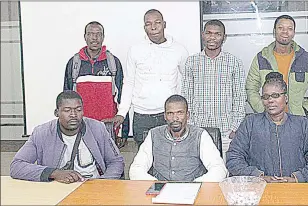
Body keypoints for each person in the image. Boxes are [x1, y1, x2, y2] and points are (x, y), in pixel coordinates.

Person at [103, 9, 188, 148]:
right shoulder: (135, 50)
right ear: (144, 28)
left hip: (168, 114)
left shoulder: (179, 50)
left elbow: (187, 80)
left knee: (171, 156)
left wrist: (182, 110)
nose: (153, 27)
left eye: (157, 23)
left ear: (164, 24)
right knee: (144, 158)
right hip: (142, 115)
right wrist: (122, 113)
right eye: (148, 24)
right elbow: (129, 82)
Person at [227, 72, 308, 183]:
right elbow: (233, 158)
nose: (270, 100)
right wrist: (258, 177)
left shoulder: (303, 124)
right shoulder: (250, 123)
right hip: (260, 190)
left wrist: (297, 178)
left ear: (286, 98)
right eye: (265, 97)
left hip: (297, 191)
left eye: (275, 95)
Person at [10, 91, 124, 183]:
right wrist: (54, 173)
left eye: (78, 110)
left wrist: (103, 183)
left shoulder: (97, 128)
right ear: (56, 113)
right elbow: (17, 166)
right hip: (57, 189)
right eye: (67, 110)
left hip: (94, 186)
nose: (73, 115)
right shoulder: (42, 133)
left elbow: (116, 161)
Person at [182, 19, 246, 155]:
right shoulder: (191, 62)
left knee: (224, 172)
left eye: (217, 34)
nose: (212, 37)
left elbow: (240, 98)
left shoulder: (234, 62)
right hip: (197, 130)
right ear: (202, 35)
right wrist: (190, 126)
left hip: (225, 131)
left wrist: (234, 128)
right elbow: (186, 97)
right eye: (209, 33)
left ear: (224, 37)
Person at [129, 95, 227, 182]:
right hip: (160, 191)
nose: (175, 118)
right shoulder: (154, 134)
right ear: (165, 116)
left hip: (193, 191)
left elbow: (219, 169)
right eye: (170, 113)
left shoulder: (200, 135)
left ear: (187, 115)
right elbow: (136, 169)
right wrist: (155, 185)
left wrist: (196, 185)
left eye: (180, 113)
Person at [63, 21, 129, 148]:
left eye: (98, 34)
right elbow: (66, 99)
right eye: (91, 34)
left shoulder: (113, 63)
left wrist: (123, 131)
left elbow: (122, 97)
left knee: (108, 165)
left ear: (103, 37)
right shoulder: (74, 63)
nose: (95, 38)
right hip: (81, 127)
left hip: (108, 127)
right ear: (85, 37)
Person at [246, 15, 308, 117]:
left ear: (294, 33)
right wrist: (263, 110)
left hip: (297, 121)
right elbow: (251, 88)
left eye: (289, 29)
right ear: (274, 31)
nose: (285, 32)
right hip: (269, 121)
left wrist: (306, 110)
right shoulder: (261, 58)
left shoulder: (306, 59)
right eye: (280, 28)